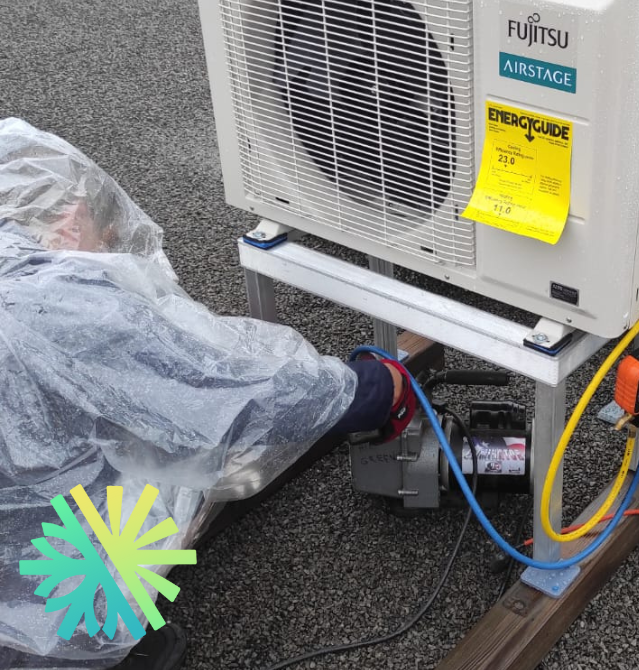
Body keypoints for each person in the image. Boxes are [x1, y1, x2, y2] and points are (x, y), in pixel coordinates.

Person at [0, 118, 414, 668]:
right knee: (149, 470)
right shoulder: (62, 307)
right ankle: (73, 644)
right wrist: (374, 389)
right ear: (71, 219)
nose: (109, 253)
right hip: (21, 593)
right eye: (109, 239)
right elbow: (225, 396)